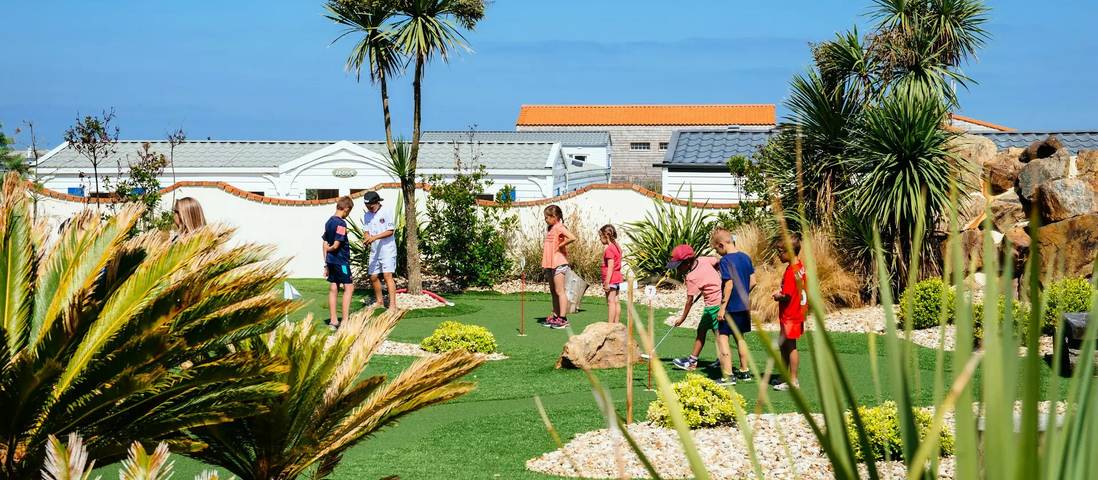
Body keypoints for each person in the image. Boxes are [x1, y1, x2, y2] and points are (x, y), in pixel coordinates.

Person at [668, 244, 734, 386]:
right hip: (714, 305)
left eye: (679, 266)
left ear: (687, 262)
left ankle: (718, 365)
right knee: (702, 331)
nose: (677, 270)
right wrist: (717, 276)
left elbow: (689, 301)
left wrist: (682, 319)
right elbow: (718, 262)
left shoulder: (691, 277)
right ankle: (695, 360)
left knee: (719, 336)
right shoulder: (704, 260)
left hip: (714, 307)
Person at [713, 228, 756, 383]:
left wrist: (722, 308)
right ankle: (745, 371)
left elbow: (729, 284)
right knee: (740, 337)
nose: (717, 253)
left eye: (716, 249)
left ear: (721, 245)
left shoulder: (725, 261)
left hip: (730, 307)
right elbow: (753, 281)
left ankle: (728, 374)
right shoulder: (745, 257)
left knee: (722, 337)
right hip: (744, 306)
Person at [772, 235, 807, 391]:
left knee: (791, 346)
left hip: (791, 315)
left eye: (780, 251)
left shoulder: (792, 271)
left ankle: (793, 380)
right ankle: (785, 376)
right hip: (794, 313)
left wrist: (778, 296)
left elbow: (787, 295)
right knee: (784, 345)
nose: (778, 255)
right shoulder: (798, 266)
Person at [322, 196, 355, 329]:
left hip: (330, 261)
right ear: (346, 208)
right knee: (349, 287)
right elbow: (335, 245)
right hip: (341, 262)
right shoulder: (341, 224)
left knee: (334, 287)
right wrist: (329, 249)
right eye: (349, 211)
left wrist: (326, 262)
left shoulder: (328, 222)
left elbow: (324, 242)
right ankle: (345, 321)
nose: (348, 214)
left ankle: (333, 321)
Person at [541, 204, 576, 329]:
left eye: (547, 217)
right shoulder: (551, 229)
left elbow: (572, 237)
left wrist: (561, 245)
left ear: (554, 217)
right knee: (553, 291)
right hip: (550, 264)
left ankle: (563, 318)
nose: (545, 219)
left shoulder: (559, 227)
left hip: (559, 263)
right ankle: (556, 316)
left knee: (560, 291)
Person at [361, 191, 397, 309]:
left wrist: (374, 238)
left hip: (387, 249)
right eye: (367, 206)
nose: (369, 208)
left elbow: (390, 231)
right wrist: (367, 239)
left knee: (387, 276)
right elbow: (366, 231)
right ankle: (379, 302)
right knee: (373, 276)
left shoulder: (386, 211)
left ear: (377, 202)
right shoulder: (367, 215)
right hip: (375, 250)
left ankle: (392, 305)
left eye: (371, 206)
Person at [599, 224, 624, 324]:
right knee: (616, 300)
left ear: (606, 235)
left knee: (610, 301)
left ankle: (610, 325)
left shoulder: (609, 249)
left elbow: (610, 267)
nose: (600, 239)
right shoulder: (616, 246)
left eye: (600, 236)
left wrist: (607, 282)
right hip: (617, 277)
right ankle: (616, 323)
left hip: (611, 279)